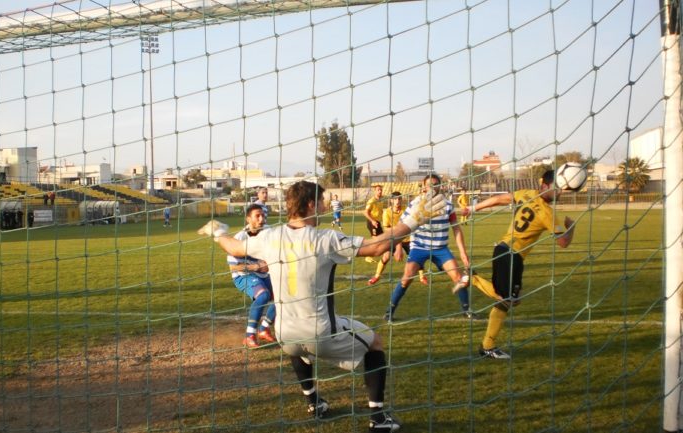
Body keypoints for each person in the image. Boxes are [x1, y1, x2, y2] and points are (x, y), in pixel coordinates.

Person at [199, 180, 446, 431]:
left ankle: (314, 403)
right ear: (310, 205)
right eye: (321, 201)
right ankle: (378, 418)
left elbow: (235, 247)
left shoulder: (269, 237)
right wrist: (414, 221)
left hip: (284, 334)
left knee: (297, 349)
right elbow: (378, 246)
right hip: (320, 331)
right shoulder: (325, 238)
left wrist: (218, 232)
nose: (325, 206)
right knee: (375, 344)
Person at [461, 169, 576, 359]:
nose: (559, 193)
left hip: (504, 251)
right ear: (545, 186)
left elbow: (499, 199)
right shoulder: (548, 213)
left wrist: (474, 208)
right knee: (506, 299)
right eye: (557, 189)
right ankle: (487, 345)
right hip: (511, 256)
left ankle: (487, 345)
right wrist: (571, 228)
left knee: (513, 299)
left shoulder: (527, 194)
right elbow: (563, 243)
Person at [384, 174, 474, 321]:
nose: (432, 188)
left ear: (440, 186)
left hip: (440, 249)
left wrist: (463, 254)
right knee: (406, 278)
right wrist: (398, 246)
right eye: (429, 185)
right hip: (419, 247)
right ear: (424, 187)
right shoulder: (415, 204)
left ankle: (467, 310)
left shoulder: (447, 205)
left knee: (458, 277)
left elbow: (456, 229)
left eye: (435, 184)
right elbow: (400, 227)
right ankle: (389, 312)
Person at [227, 204, 277, 348]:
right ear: (248, 219)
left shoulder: (269, 232)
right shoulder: (240, 238)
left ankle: (264, 328)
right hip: (243, 275)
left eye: (263, 215)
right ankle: (249, 335)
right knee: (263, 295)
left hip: (263, 274)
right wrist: (255, 267)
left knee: (282, 295)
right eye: (257, 216)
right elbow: (233, 266)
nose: (262, 219)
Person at [367, 192, 425, 286]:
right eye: (395, 199)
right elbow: (386, 229)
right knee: (386, 257)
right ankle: (376, 276)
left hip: (407, 238)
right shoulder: (387, 212)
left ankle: (422, 277)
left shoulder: (406, 211)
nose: (397, 201)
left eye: (399, 199)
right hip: (393, 239)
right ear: (391, 200)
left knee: (416, 257)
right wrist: (398, 231)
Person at [363, 184, 385, 263]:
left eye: (381, 190)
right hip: (372, 222)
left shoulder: (381, 200)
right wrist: (373, 221)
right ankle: (367, 255)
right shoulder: (372, 201)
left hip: (377, 222)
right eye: (378, 190)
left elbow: (380, 211)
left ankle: (385, 253)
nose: (380, 191)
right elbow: (365, 212)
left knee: (383, 239)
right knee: (375, 240)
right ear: (375, 191)